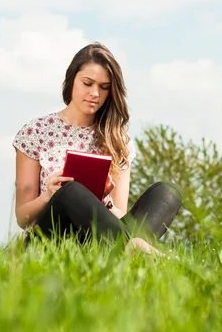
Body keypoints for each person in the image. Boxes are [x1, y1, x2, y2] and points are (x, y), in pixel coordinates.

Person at [12, 42, 182, 255]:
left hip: (98, 241)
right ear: (71, 80)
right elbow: (21, 218)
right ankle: (138, 251)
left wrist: (105, 203)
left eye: (104, 87)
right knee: (70, 191)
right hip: (50, 240)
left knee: (167, 192)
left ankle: (131, 251)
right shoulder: (35, 132)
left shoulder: (118, 140)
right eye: (87, 83)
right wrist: (49, 195)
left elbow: (121, 214)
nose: (95, 93)